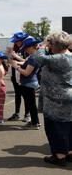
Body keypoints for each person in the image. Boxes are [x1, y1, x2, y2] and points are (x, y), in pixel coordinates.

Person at [31, 32, 72, 166]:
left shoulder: (60, 58)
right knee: (68, 126)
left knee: (55, 127)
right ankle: (69, 152)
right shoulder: (68, 56)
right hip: (66, 97)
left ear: (54, 44)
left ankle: (59, 156)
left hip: (56, 99)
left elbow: (38, 57)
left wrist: (43, 45)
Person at [10, 36, 42, 130]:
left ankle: (35, 123)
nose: (25, 50)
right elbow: (25, 63)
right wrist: (16, 62)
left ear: (32, 47)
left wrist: (16, 66)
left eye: (27, 48)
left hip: (29, 83)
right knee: (30, 103)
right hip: (29, 83)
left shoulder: (33, 58)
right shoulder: (33, 56)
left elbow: (27, 73)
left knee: (31, 104)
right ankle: (34, 122)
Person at [7, 32, 30, 122]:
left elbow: (28, 62)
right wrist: (9, 55)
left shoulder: (27, 49)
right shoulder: (16, 49)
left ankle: (27, 114)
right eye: (15, 41)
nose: (16, 43)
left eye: (18, 41)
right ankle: (16, 113)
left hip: (23, 75)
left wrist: (16, 56)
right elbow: (10, 61)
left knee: (26, 96)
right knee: (17, 95)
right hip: (15, 74)